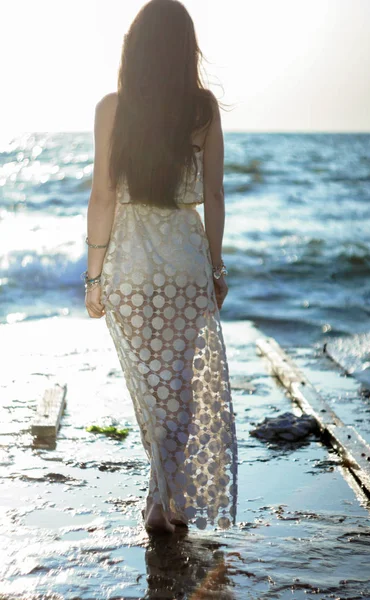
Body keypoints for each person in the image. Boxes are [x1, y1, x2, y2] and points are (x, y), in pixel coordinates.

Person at [83, 0, 238, 534]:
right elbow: (214, 194)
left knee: (151, 388)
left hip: (128, 268)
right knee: (181, 389)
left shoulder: (111, 108)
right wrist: (217, 266)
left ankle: (161, 498)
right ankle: (164, 500)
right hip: (183, 265)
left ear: (135, 49)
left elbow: (102, 196)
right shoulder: (202, 109)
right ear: (184, 50)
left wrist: (94, 277)